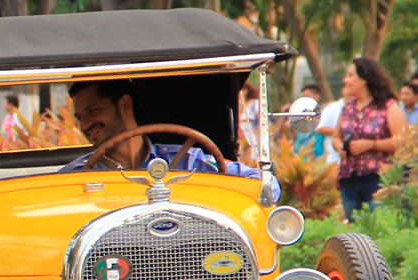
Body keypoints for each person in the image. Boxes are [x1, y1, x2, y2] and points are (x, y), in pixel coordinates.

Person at [59, 78, 279, 199]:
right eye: (79, 117)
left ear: (124, 104)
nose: (84, 125)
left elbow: (265, 186)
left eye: (92, 111)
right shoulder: (75, 177)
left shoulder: (189, 161)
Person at [321, 57, 407, 219]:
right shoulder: (347, 109)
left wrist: (371, 145)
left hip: (378, 179)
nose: (345, 80)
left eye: (350, 75)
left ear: (364, 80)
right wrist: (339, 146)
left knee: (378, 227)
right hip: (349, 179)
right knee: (356, 233)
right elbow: (336, 136)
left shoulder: (388, 107)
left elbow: (402, 141)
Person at [293, 83, 327, 159]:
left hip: (316, 160)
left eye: (307, 96)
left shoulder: (325, 115)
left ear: (317, 96)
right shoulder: (300, 117)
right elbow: (283, 127)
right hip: (298, 161)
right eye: (302, 97)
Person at [238, 82, 264, 165]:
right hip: (241, 125)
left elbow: (259, 115)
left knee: (252, 143)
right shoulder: (241, 102)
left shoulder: (254, 102)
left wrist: (259, 127)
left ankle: (253, 160)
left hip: (250, 124)